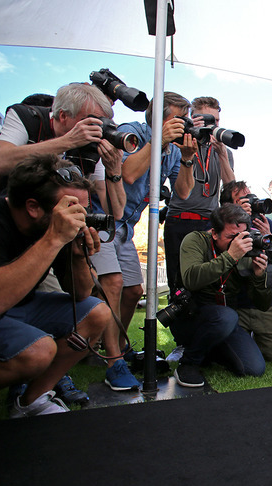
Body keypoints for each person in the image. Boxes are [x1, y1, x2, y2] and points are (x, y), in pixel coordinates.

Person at [0, 82, 131, 395]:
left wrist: (78, 254)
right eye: (91, 121)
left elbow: (114, 209)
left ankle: (33, 395)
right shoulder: (26, 117)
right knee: (37, 345)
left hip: (40, 231)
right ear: (63, 116)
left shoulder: (90, 150)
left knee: (95, 308)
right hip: (6, 231)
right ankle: (30, 371)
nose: (99, 129)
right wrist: (65, 142)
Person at [0, 154, 111, 416]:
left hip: (19, 307)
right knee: (39, 351)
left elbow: (81, 294)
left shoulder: (54, 228)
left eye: (83, 210)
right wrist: (54, 238)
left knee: (97, 312)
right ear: (33, 207)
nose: (81, 217)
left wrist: (78, 256)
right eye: (72, 208)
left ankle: (30, 401)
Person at [116, 92, 190, 358]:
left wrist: (188, 159)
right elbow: (129, 172)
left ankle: (118, 346)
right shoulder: (131, 133)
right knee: (110, 287)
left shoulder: (171, 150)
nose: (184, 124)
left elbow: (182, 191)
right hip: (104, 220)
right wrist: (159, 140)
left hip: (126, 226)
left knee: (134, 291)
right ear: (160, 118)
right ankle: (112, 350)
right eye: (180, 119)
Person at [172, 203, 271, 387]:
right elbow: (191, 279)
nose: (238, 242)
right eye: (231, 237)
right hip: (192, 316)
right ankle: (188, 363)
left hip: (226, 322)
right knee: (225, 316)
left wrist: (259, 277)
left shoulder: (247, 251)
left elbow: (263, 304)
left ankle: (210, 351)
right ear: (214, 233)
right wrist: (230, 256)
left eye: (241, 236)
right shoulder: (195, 240)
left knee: (253, 369)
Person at [163, 96, 236, 296]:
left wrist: (221, 154)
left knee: (209, 283)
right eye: (207, 120)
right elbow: (180, 191)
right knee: (179, 282)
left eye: (217, 121)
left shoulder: (224, 151)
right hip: (180, 219)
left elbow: (231, 190)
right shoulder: (179, 144)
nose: (213, 126)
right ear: (193, 119)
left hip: (210, 223)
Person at [220, 180, 272, 363]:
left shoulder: (263, 222)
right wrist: (237, 218)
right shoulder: (220, 222)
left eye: (250, 196)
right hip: (234, 302)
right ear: (229, 204)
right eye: (243, 199)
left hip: (264, 300)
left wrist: (268, 234)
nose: (251, 201)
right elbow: (216, 252)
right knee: (232, 358)